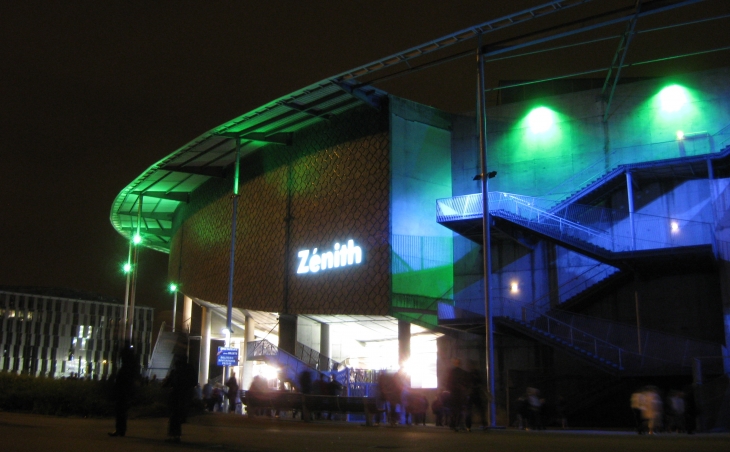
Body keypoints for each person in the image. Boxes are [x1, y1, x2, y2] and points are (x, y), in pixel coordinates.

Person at [163, 357, 197, 442]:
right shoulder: (188, 372)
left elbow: (168, 383)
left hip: (176, 396)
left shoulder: (176, 372)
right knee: (178, 415)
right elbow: (194, 383)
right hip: (184, 397)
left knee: (173, 416)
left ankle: (173, 435)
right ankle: (177, 435)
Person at [108, 341, 138, 438]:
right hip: (125, 391)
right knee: (122, 410)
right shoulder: (130, 368)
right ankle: (121, 430)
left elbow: (121, 382)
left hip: (122, 392)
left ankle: (120, 430)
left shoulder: (125, 370)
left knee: (120, 410)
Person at [446, 358, 469, 432]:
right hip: (459, 394)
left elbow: (448, 383)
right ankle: (457, 424)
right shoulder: (462, 372)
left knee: (454, 410)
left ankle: (453, 424)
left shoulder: (452, 372)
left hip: (454, 394)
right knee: (459, 410)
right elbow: (465, 383)